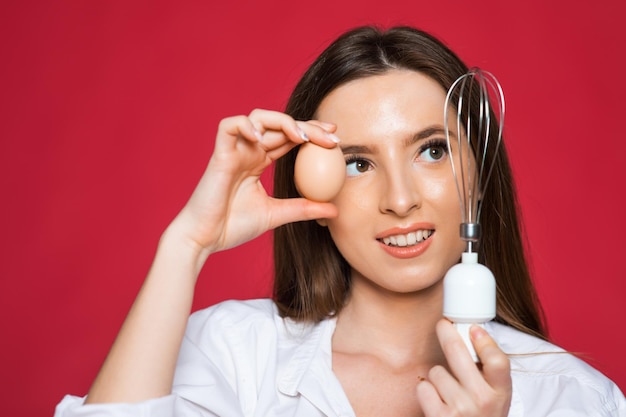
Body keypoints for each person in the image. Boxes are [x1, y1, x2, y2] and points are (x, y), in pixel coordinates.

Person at [55, 26, 625, 417]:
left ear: (480, 174)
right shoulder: (234, 354)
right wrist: (188, 242)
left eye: (431, 150)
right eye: (356, 163)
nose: (400, 201)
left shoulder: (572, 397)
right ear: (311, 187)